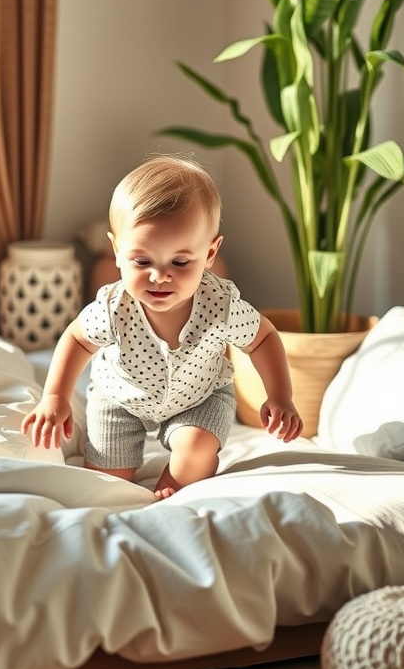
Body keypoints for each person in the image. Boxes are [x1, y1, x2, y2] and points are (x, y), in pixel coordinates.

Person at [21, 155, 303, 499]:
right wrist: (54, 396)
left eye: (181, 262)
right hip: (120, 398)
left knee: (197, 449)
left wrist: (279, 395)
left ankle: (173, 486)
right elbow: (78, 339)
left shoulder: (221, 305)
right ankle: (117, 466)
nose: (160, 275)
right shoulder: (114, 306)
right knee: (108, 483)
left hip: (198, 398)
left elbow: (263, 338)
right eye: (142, 261)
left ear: (210, 253)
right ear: (117, 250)